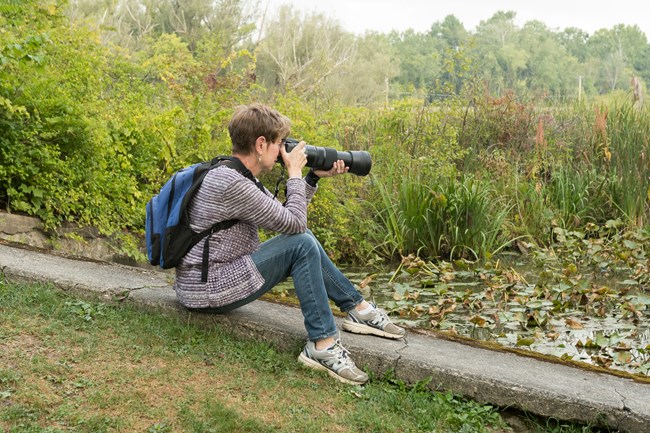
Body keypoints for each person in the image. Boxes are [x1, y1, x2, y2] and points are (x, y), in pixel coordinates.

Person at [173, 103, 404, 385]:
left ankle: (358, 308)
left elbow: (285, 217)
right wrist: (294, 173)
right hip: (207, 289)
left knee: (301, 241)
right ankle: (323, 345)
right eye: (279, 144)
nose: (283, 151)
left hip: (207, 278)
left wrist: (310, 178)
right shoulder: (233, 183)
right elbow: (296, 224)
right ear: (261, 144)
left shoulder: (234, 174)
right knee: (301, 243)